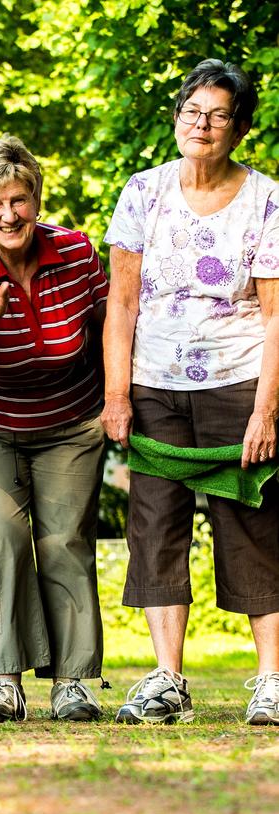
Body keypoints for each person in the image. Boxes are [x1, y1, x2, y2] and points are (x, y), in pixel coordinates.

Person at [102, 59, 279, 725]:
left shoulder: (267, 198)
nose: (201, 124)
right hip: (155, 386)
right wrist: (117, 396)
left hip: (239, 381)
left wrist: (267, 406)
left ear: (239, 128)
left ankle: (270, 681)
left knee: (254, 524)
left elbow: (274, 315)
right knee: (155, 525)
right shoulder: (143, 193)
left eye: (217, 114)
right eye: (191, 111)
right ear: (177, 118)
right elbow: (120, 306)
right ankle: (167, 681)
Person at [0, 136, 109, 722]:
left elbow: (110, 330)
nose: (9, 215)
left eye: (19, 199)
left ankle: (74, 682)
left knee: (64, 542)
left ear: (36, 198)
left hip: (70, 421)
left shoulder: (79, 253)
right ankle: (3, 682)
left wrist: (117, 403)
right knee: (4, 538)